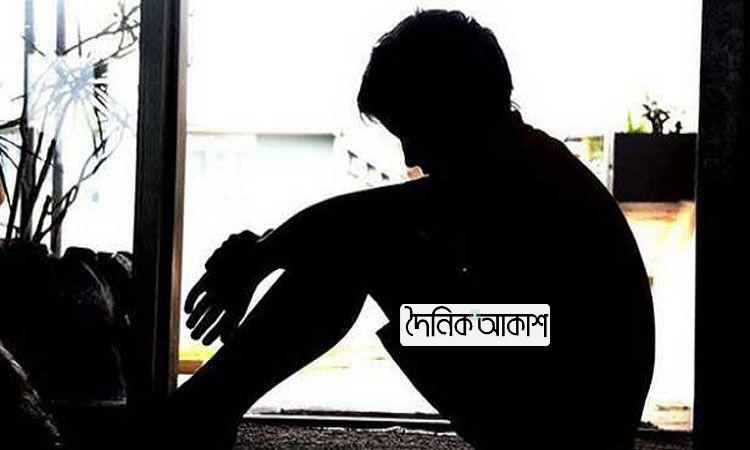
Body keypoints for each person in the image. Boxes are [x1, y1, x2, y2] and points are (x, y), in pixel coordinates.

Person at [160, 10, 655, 450]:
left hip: (558, 409)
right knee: (356, 241)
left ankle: (203, 407)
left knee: (363, 245)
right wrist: (266, 251)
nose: (410, 156)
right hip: (545, 367)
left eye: (413, 132)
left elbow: (365, 219)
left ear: (453, 110)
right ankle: (206, 406)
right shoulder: (523, 160)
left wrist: (259, 256)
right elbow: (367, 217)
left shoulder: (515, 169)